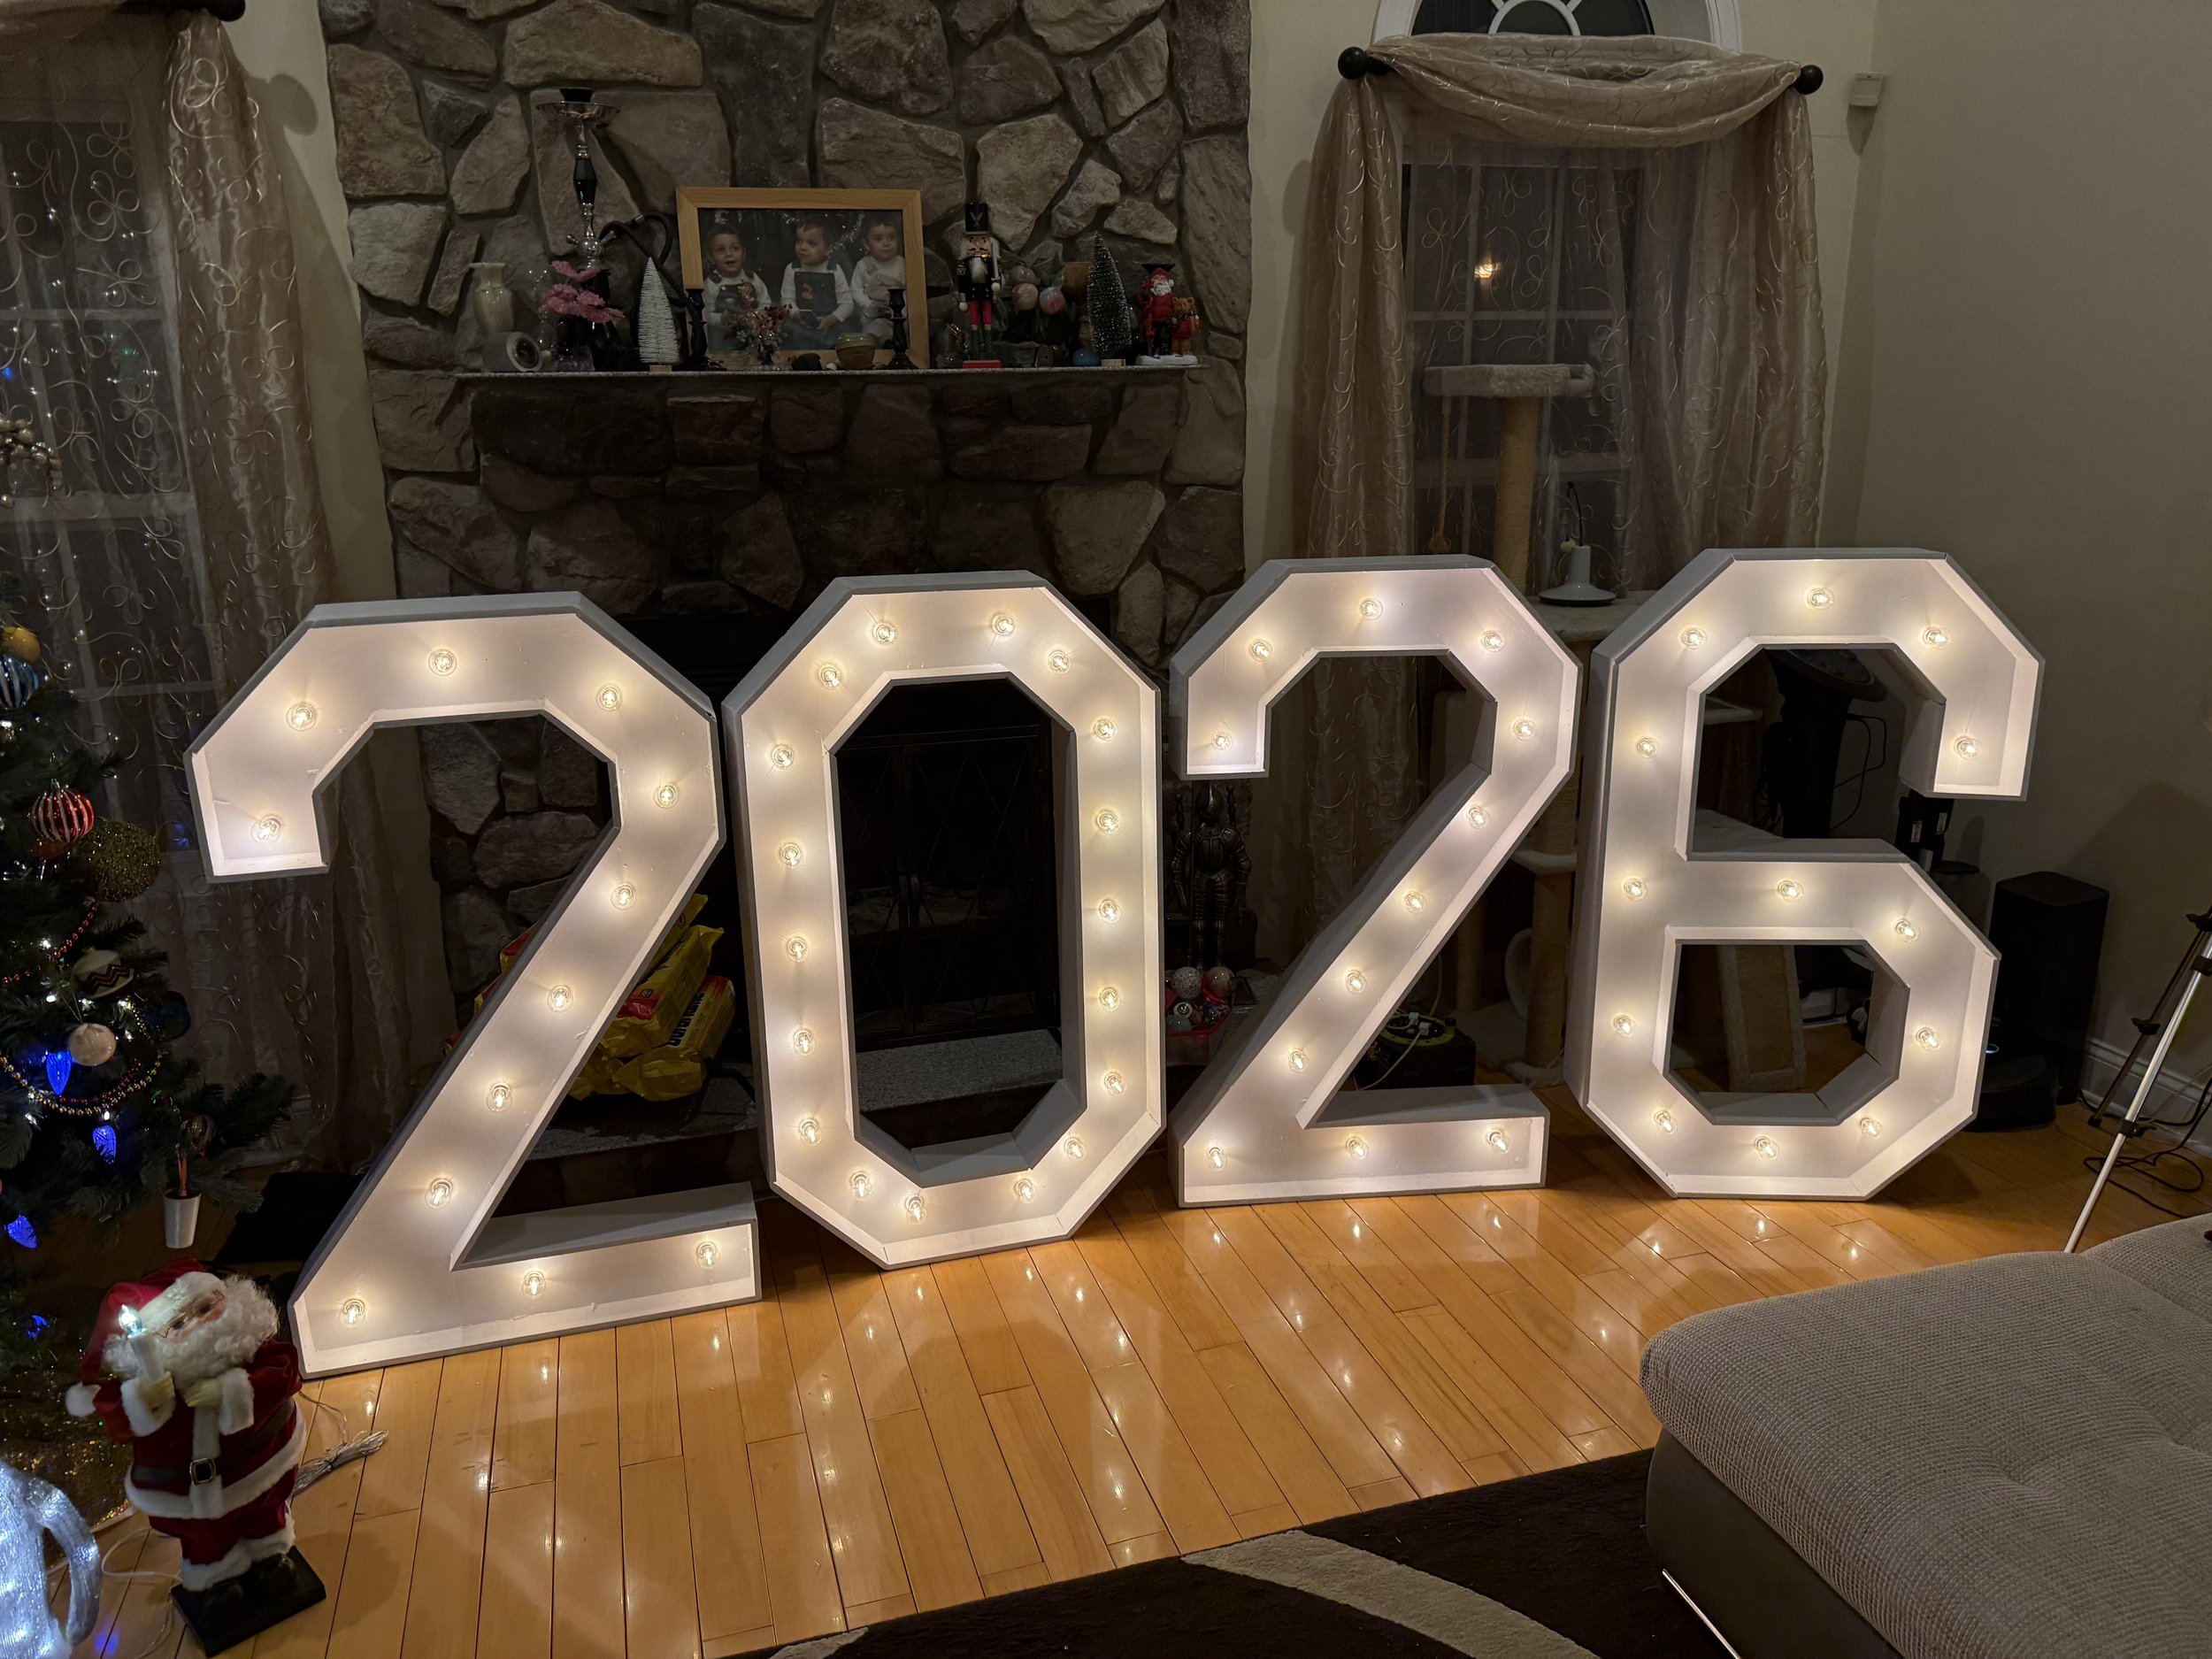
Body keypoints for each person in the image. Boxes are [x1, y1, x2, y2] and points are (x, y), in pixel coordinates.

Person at [66, 1260, 309, 1597]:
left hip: (259, 1465)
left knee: (264, 1513)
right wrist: (143, 1398)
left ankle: (270, 1557)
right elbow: (115, 1416)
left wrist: (234, 1390)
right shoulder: (154, 1378)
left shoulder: (248, 1348)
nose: (198, 1323)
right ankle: (218, 1580)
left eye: (206, 1307)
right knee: (207, 1539)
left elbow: (284, 1372)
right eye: (178, 1323)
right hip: (184, 1492)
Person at [780, 219, 855, 350]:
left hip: (831, 322)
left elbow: (847, 304)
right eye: (799, 241)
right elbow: (787, 299)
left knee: (845, 339)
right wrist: (796, 314)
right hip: (803, 323)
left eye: (811, 243)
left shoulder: (834, 270)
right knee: (795, 338)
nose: (802, 247)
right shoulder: (792, 269)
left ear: (828, 249)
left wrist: (831, 319)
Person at [701, 219, 770, 351]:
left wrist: (757, 316)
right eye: (721, 250)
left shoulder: (752, 279)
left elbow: (766, 303)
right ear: (710, 257)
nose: (729, 254)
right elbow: (704, 315)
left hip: (753, 339)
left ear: (744, 253)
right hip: (723, 342)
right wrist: (721, 318)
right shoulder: (711, 284)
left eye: (735, 248)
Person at [850, 217, 907, 345]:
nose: (886, 243)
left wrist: (900, 309)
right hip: (872, 316)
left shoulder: (901, 264)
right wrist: (870, 305)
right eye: (878, 239)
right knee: (875, 330)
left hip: (899, 314)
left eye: (892, 238)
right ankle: (884, 345)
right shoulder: (863, 265)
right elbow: (855, 291)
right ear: (866, 244)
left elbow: (909, 292)